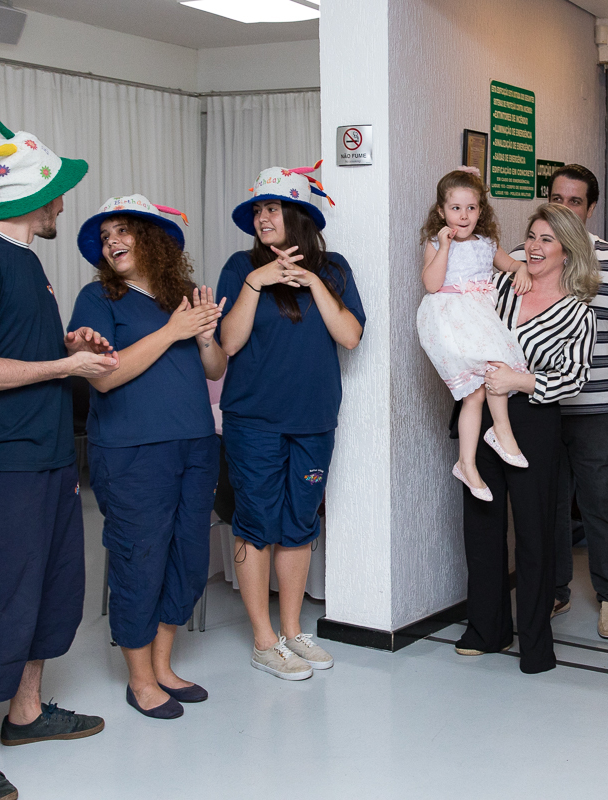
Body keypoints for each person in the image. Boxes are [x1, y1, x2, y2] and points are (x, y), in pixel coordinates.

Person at [0, 112, 112, 800]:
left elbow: (17, 346)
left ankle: (27, 712)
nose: (63, 203)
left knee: (51, 591)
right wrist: (63, 367)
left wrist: (72, 343)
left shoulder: (26, 262)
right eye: (58, 191)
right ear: (33, 197)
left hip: (47, 461)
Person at [69, 195, 227, 718]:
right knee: (141, 561)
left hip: (195, 445)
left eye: (124, 230)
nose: (113, 241)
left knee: (187, 560)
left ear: (153, 239)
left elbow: (214, 367)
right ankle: (140, 680)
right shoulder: (98, 299)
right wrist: (172, 332)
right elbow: (105, 375)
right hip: (133, 453)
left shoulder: (180, 296)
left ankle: (163, 666)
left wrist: (203, 336)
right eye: (106, 234)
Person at [217, 164, 365, 681]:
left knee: (300, 524)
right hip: (252, 420)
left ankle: (292, 630)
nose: (262, 218)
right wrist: (258, 282)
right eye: (257, 209)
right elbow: (228, 344)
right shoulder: (240, 268)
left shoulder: (336, 268)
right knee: (256, 523)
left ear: (299, 215)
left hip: (314, 419)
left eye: (271, 208)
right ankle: (263, 639)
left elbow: (349, 336)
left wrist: (313, 283)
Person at [457, 203, 597, 674]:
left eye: (546, 240)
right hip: (480, 413)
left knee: (535, 533)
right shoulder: (499, 284)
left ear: (567, 251)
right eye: (531, 236)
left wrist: (520, 381)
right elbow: (462, 324)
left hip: (533, 420)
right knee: (481, 524)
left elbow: (574, 377)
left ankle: (535, 645)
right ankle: (486, 630)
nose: (534, 247)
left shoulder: (579, 311)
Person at [510, 164, 608, 639]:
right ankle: (554, 590)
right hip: (535, 411)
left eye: (574, 201)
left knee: (600, 504)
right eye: (556, 198)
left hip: (597, 407)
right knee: (544, 505)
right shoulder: (520, 259)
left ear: (590, 208)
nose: (564, 207)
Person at [417, 169, 532, 501]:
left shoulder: (487, 243)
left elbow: (510, 264)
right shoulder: (437, 243)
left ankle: (467, 463)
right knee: (490, 371)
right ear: (441, 211)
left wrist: (522, 267)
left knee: (479, 392)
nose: (463, 215)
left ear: (481, 210)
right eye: (455, 208)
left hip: (480, 318)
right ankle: (502, 432)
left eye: (471, 208)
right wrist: (442, 246)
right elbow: (432, 284)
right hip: (449, 318)